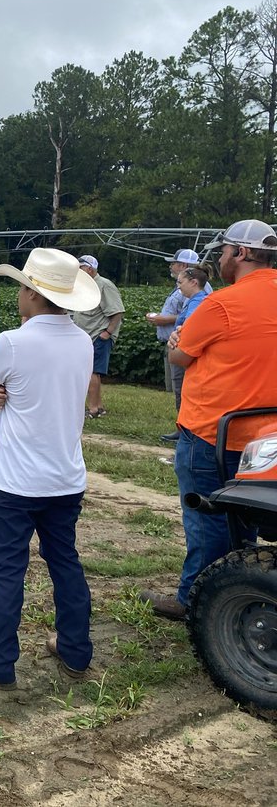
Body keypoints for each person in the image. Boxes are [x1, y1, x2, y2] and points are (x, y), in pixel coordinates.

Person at [0, 248, 100, 689]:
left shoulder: (12, 341)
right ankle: (75, 649)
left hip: (14, 481)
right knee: (65, 562)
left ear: (32, 293)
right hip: (65, 478)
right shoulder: (83, 342)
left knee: (7, 569)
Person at [142, 219, 277, 621]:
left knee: (207, 521)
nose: (220, 259)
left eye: (224, 251)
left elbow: (179, 355)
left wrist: (176, 340)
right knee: (248, 517)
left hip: (212, 433)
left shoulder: (222, 304)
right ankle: (241, 586)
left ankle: (196, 601)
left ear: (243, 253)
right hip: (267, 438)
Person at [146, 249, 209, 443]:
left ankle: (186, 431)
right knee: (178, 388)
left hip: (184, 350)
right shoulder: (191, 295)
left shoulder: (200, 296)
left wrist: (166, 321)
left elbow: (191, 325)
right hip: (178, 347)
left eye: (174, 262)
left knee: (184, 389)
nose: (170, 266)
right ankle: (182, 428)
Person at [69, 256, 124, 418]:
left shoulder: (104, 285)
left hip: (97, 336)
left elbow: (117, 311)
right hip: (87, 337)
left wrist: (107, 333)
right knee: (94, 373)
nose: (78, 272)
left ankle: (92, 409)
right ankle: (98, 407)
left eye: (81, 268)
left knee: (91, 372)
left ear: (90, 269)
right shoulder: (84, 287)